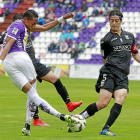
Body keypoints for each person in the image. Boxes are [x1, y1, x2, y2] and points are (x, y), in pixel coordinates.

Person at [0, 10, 81, 136]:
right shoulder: (18, 26)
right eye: (33, 23)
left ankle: (28, 125)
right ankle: (55, 116)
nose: (33, 26)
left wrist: (62, 18)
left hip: (16, 63)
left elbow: (45, 27)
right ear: (24, 19)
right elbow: (8, 43)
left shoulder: (24, 27)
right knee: (34, 93)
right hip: (23, 60)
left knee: (34, 94)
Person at [69, 9, 140, 136]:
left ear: (121, 21)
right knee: (103, 103)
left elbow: (135, 55)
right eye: (111, 21)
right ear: (109, 21)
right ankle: (78, 118)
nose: (114, 23)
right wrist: (108, 73)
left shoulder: (130, 37)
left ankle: (106, 128)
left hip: (123, 74)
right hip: (110, 71)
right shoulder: (105, 39)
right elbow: (104, 59)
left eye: (116, 21)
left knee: (121, 98)